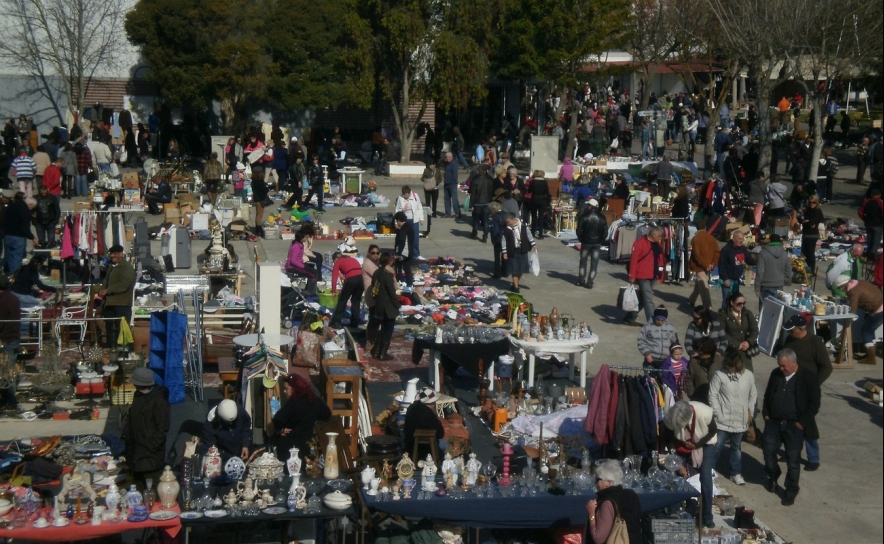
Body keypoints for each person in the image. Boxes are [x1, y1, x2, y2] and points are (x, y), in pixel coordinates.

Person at [762, 348, 821, 506]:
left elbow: (814, 404)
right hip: (773, 422)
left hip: (793, 425)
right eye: (780, 365)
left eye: (784, 366)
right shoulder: (776, 374)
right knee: (768, 454)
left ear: (794, 362)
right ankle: (774, 474)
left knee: (793, 461)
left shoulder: (808, 377)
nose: (781, 369)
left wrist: (801, 422)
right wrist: (766, 414)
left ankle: (791, 490)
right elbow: (768, 394)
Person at [780, 314, 832, 471]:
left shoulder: (815, 343)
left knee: (807, 422)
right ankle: (792, 452)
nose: (789, 333)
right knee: (789, 420)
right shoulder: (790, 341)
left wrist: (814, 384)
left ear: (800, 329)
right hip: (790, 387)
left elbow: (826, 367)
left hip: (808, 391)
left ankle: (813, 458)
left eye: (791, 330)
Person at [664, 400, 718, 528]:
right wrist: (678, 464)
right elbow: (668, 440)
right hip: (682, 444)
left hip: (705, 443)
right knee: (673, 475)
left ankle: (706, 516)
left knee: (705, 476)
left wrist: (697, 445)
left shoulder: (703, 412)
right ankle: (675, 511)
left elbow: (713, 431)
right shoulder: (671, 417)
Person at [709, 348, 757, 487]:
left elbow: (753, 394)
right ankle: (709, 470)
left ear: (738, 364)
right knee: (717, 446)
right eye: (727, 367)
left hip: (741, 419)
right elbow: (712, 395)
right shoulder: (719, 375)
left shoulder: (748, 375)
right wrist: (718, 413)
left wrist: (750, 411)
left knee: (736, 447)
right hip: (723, 419)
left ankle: (735, 473)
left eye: (731, 367)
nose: (728, 369)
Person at [122, 367, 170, 488]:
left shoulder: (159, 401)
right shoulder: (138, 395)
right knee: (137, 488)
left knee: (152, 490)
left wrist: (151, 446)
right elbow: (132, 418)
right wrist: (126, 435)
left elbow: (162, 428)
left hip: (150, 456)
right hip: (135, 452)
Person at [272, 374, 332, 462]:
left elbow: (278, 419)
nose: (284, 391)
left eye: (286, 388)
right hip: (307, 446)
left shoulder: (293, 402)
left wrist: (281, 430)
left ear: (295, 388)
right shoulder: (314, 400)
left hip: (289, 448)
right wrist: (313, 417)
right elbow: (327, 414)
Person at [585, 460, 643, 543]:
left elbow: (598, 539)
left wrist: (591, 514)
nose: (595, 483)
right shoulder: (631, 494)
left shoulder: (607, 503)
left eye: (597, 479)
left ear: (608, 483)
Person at [832, 274, 882, 365]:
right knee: (870, 331)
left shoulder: (853, 292)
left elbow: (853, 311)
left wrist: (847, 325)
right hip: (879, 305)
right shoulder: (858, 283)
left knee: (866, 332)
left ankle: (871, 358)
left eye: (840, 288)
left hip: (878, 310)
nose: (840, 290)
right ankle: (869, 355)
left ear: (844, 285)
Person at [625, 226, 664, 325]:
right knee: (648, 300)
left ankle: (630, 317)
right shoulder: (639, 244)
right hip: (643, 276)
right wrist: (632, 276)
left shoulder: (658, 245)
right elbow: (633, 261)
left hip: (653, 276)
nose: (660, 238)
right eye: (659, 236)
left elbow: (660, 260)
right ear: (653, 234)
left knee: (642, 299)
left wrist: (660, 274)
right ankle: (652, 322)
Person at [99, 245, 136, 348]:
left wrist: (108, 290)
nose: (112, 256)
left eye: (115, 254)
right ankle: (112, 352)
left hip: (122, 304)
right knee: (110, 330)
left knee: (123, 331)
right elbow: (106, 281)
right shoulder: (111, 267)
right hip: (109, 304)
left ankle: (124, 355)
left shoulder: (127, 267)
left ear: (121, 254)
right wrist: (101, 289)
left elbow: (124, 284)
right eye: (111, 254)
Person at [368, 252, 401, 360]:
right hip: (388, 307)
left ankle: (376, 351)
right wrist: (397, 304)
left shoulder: (377, 272)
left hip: (379, 305)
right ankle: (382, 353)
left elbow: (374, 286)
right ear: (389, 261)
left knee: (382, 329)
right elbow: (392, 292)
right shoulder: (388, 275)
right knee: (388, 330)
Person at [717, 291, 758, 372]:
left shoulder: (747, 314)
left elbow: (755, 330)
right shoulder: (723, 315)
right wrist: (736, 345)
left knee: (748, 375)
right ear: (732, 303)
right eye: (739, 303)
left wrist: (748, 342)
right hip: (730, 352)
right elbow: (722, 333)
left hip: (745, 352)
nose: (742, 305)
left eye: (744, 303)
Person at [404, 387, 445, 460]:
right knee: (446, 444)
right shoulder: (427, 413)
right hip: (423, 448)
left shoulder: (411, 407)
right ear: (430, 403)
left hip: (408, 443)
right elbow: (440, 433)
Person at [687, 220, 721, 311]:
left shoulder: (696, 238)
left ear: (696, 228)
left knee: (703, 286)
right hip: (708, 265)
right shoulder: (711, 238)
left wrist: (705, 265)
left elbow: (697, 255)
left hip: (699, 267)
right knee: (700, 284)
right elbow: (717, 253)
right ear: (705, 227)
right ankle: (691, 299)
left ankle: (707, 307)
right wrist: (712, 264)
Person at [3, 192, 38, 274]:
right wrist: (32, 237)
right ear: (30, 205)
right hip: (18, 237)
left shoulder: (11, 205)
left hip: (7, 235)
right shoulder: (25, 210)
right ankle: (14, 277)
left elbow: (4, 220)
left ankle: (8, 276)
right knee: (17, 258)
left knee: (9, 257)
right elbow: (25, 227)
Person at [0, 276, 22, 410]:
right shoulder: (13, 298)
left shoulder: (3, 301)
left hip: (6, 339)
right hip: (12, 338)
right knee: (9, 370)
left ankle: (10, 401)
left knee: (6, 372)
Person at [575, 198, 607, 289]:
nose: (587, 206)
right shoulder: (602, 217)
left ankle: (581, 280)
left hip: (586, 242)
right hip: (597, 243)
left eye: (588, 205)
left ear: (590, 206)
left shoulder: (584, 216)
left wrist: (581, 239)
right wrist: (601, 240)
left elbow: (579, 230)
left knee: (583, 262)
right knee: (594, 264)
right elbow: (605, 232)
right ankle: (590, 282)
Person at [717, 230, 754, 309]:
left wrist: (760, 260)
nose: (741, 241)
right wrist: (725, 279)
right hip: (728, 279)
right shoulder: (726, 249)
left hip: (737, 280)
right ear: (733, 238)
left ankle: (733, 318)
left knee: (736, 301)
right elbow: (721, 265)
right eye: (739, 239)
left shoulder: (743, 249)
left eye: (742, 239)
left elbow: (749, 260)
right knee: (727, 301)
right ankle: (723, 318)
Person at [500, 212, 536, 293]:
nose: (508, 224)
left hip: (523, 249)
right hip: (512, 250)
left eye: (509, 222)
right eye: (507, 223)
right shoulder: (505, 229)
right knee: (514, 270)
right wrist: (504, 252)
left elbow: (528, 234)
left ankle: (515, 283)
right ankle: (516, 288)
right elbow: (503, 241)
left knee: (522, 269)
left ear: (513, 219)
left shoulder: (523, 224)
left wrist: (533, 244)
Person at [755, 233, 792, 310]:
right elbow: (788, 270)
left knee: (764, 311)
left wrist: (757, 287)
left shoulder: (763, 253)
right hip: (779, 285)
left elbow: (760, 271)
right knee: (776, 311)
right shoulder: (784, 253)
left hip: (766, 285)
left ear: (770, 241)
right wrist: (783, 279)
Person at [329, 249, 364, 328]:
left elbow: (334, 277)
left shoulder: (338, 261)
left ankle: (335, 322)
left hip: (352, 279)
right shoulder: (352, 259)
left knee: (342, 300)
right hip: (361, 279)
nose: (334, 263)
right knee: (356, 301)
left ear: (336, 259)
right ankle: (355, 322)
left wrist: (333, 290)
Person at [684, 337, 723, 404]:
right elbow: (689, 379)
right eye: (698, 350)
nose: (699, 352)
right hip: (699, 400)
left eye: (701, 351)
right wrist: (692, 395)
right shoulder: (694, 361)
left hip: (718, 400)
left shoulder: (720, 361)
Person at [394, 185, 424, 258]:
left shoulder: (415, 196)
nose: (406, 196)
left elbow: (419, 207)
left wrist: (421, 218)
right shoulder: (400, 198)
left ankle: (416, 254)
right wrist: (396, 222)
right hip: (405, 221)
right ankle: (403, 254)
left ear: (409, 192)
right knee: (404, 239)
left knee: (415, 238)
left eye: (407, 195)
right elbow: (397, 210)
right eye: (404, 195)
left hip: (414, 221)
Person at [362, 245, 381, 349]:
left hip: (376, 294)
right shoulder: (368, 263)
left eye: (377, 253)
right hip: (371, 294)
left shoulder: (376, 263)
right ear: (369, 253)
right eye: (373, 253)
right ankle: (369, 341)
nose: (375, 255)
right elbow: (378, 274)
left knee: (376, 318)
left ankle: (373, 339)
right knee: (373, 318)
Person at [800, 195, 825, 275]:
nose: (812, 204)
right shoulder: (807, 210)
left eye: (813, 202)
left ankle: (812, 270)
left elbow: (812, 224)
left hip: (812, 235)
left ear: (816, 203)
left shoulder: (817, 211)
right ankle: (806, 269)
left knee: (810, 253)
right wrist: (805, 221)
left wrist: (807, 221)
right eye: (810, 202)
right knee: (804, 252)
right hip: (805, 234)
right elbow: (802, 220)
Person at [469, 165, 493, 242]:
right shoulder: (489, 180)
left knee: (476, 219)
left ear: (478, 171)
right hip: (487, 202)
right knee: (486, 220)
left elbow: (472, 193)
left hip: (477, 202)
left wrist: (471, 204)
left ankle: (474, 233)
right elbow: (491, 192)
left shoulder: (475, 180)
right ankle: (485, 236)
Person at [858, 188, 882, 258]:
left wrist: (865, 219)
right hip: (877, 225)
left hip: (868, 224)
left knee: (870, 240)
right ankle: (872, 257)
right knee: (876, 241)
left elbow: (860, 212)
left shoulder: (867, 202)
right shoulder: (880, 202)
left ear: (871, 194)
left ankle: (868, 254)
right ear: (879, 195)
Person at [393, 211, 415, 287]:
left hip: (404, 252)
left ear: (399, 220)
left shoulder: (403, 229)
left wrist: (398, 253)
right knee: (407, 267)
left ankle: (399, 281)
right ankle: (410, 283)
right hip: (410, 251)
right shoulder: (409, 226)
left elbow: (402, 242)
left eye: (397, 221)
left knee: (398, 266)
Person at [527, 170, 550, 239]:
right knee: (541, 217)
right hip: (542, 200)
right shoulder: (544, 182)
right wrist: (548, 203)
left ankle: (533, 232)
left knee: (534, 216)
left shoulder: (532, 182)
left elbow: (529, 191)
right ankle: (540, 234)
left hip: (534, 199)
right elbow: (547, 192)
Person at [488, 201, 506, 278]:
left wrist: (493, 239)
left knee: (497, 257)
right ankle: (505, 271)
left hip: (498, 238)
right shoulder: (505, 213)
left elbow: (494, 230)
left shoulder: (495, 217)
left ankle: (497, 273)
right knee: (505, 255)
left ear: (493, 209)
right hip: (506, 237)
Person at [442, 152, 461, 218]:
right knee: (446, 199)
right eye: (446, 158)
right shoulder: (446, 163)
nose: (447, 159)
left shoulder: (454, 163)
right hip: (446, 183)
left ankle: (457, 213)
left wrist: (452, 182)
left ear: (452, 157)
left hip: (452, 184)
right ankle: (448, 213)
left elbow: (455, 174)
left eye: (448, 157)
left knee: (454, 199)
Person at [251, 169, 269, 237]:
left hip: (256, 199)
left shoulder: (253, 181)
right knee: (260, 215)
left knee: (257, 214)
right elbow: (265, 190)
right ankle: (258, 229)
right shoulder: (260, 181)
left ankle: (257, 228)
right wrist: (266, 187)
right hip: (260, 199)